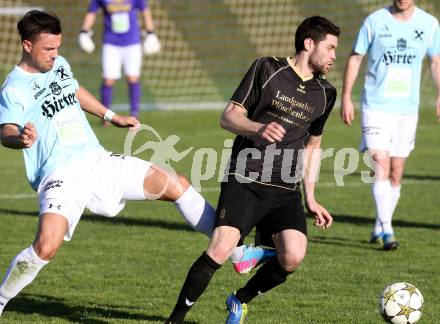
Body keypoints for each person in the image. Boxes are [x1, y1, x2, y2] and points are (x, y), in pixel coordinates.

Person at [0, 10, 268, 317]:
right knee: (46, 246)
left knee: (175, 183)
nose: (55, 54)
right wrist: (19, 137)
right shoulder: (14, 87)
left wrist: (112, 116)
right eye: (48, 49)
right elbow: (5, 130)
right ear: (27, 45)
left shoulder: (58, 65)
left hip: (98, 161)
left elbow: (74, 91)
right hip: (60, 175)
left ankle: (237, 253)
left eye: (58, 47)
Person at [165, 16, 340, 324]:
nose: (333, 56)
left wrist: (310, 197)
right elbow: (229, 116)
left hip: (285, 189)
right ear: (308, 44)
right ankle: (175, 320)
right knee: (220, 248)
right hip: (245, 178)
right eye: (330, 47)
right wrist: (257, 128)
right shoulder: (266, 68)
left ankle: (239, 299)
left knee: (293, 255)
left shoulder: (325, 93)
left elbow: (313, 146)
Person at [340, 0, 440, 250]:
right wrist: (346, 97)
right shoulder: (374, 21)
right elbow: (355, 58)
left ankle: (379, 223)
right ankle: (387, 230)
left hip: (407, 110)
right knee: (380, 165)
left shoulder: (429, 24)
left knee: (396, 171)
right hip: (375, 106)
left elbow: (436, 62)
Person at [78, 0, 161, 123]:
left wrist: (150, 33)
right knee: (108, 79)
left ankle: (134, 113)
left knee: (133, 78)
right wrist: (84, 31)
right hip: (111, 43)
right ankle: (105, 116)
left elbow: (145, 11)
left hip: (132, 43)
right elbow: (92, 12)